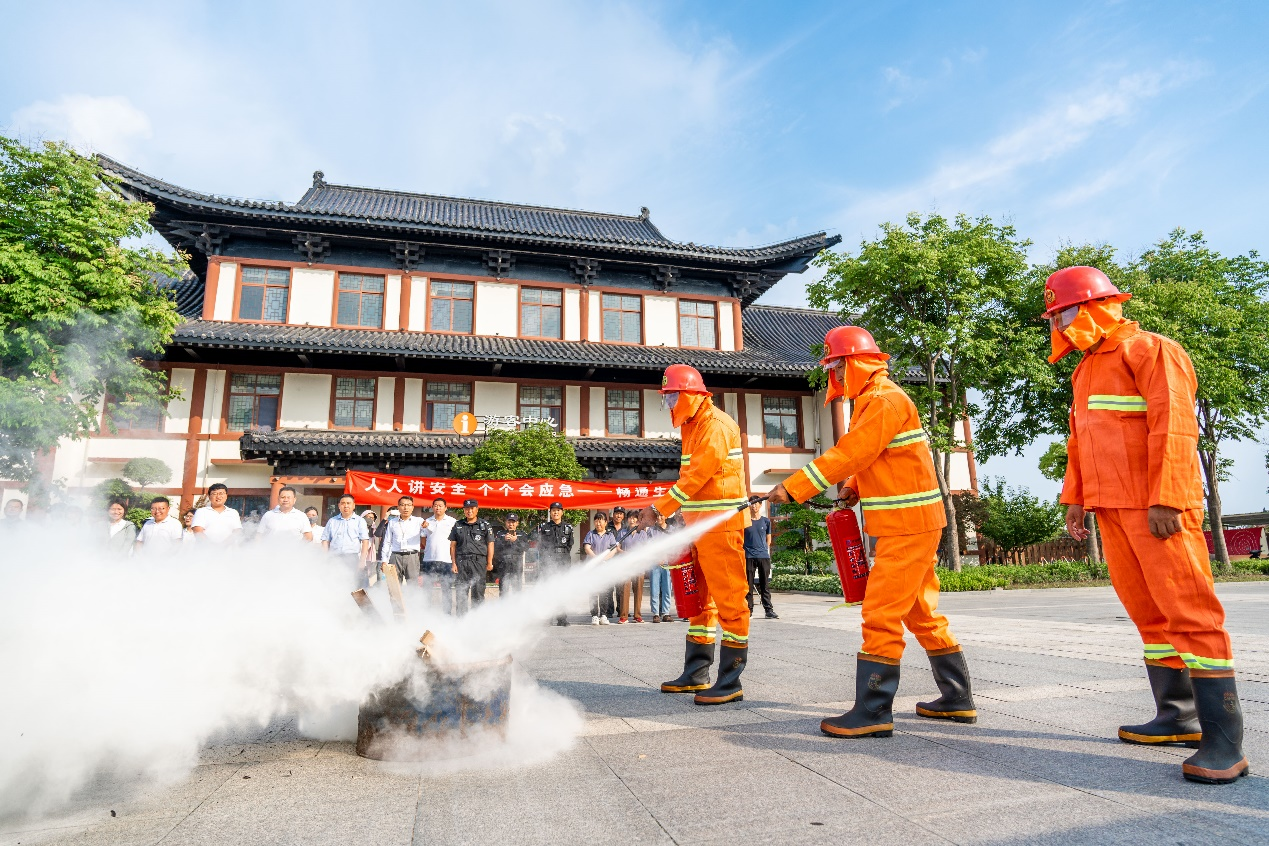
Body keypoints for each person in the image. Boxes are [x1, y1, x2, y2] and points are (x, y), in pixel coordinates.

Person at [1045, 266, 1248, 784]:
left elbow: (1175, 427)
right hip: (1111, 508)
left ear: (1094, 307)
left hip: (1157, 507)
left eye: (1065, 312)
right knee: (1149, 615)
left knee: (1190, 612)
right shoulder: (1087, 367)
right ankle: (1175, 716)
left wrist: (1169, 499)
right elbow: (1080, 440)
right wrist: (1076, 498)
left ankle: (1224, 742)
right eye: (1057, 315)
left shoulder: (1152, 349)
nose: (1061, 323)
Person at [768, 325, 975, 739]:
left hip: (907, 526)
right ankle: (956, 699)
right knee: (922, 613)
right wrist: (851, 489)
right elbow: (877, 458)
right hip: (910, 524)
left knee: (880, 613)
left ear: (856, 362)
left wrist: (794, 486)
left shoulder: (884, 399)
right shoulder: (873, 401)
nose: (837, 377)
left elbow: (853, 451)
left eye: (838, 367)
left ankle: (874, 710)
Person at [638, 364, 751, 706]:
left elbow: (699, 474)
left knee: (730, 600)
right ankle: (696, 674)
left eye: (672, 395)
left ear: (691, 395)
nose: (669, 403)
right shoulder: (693, 424)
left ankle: (730, 681)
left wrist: (661, 508)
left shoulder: (714, 424)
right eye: (666, 397)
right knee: (702, 603)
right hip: (700, 524)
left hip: (721, 525)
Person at [532, 501, 576, 626]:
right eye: (553, 510)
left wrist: (562, 557)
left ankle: (562, 618)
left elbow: (569, 545)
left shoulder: (568, 528)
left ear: (562, 512)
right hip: (548, 561)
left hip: (563, 561)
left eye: (558, 510)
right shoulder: (544, 527)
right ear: (550, 512)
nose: (555, 512)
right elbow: (540, 545)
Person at [449, 499, 493, 613]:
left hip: (478, 562)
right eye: (467, 509)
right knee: (461, 593)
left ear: (477, 510)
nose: (469, 511)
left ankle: (476, 622)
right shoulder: (458, 525)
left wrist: (489, 562)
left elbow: (490, 544)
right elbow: (453, 546)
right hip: (461, 562)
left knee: (478, 592)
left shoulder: (485, 525)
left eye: (472, 508)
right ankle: (461, 622)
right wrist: (453, 563)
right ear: (464, 510)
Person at [322, 493, 372, 587]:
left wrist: (362, 561)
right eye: (343, 503)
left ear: (353, 505)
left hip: (352, 558)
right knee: (334, 584)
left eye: (348, 503)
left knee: (353, 584)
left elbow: (365, 541)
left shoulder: (359, 521)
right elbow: (325, 540)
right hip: (334, 558)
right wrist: (325, 557)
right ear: (339, 506)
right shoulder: (332, 521)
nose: (346, 505)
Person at [379, 495, 426, 587]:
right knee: (394, 586)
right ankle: (395, 602)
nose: (406, 508)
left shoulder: (419, 521)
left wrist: (427, 526)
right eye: (403, 505)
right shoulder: (392, 522)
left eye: (409, 505)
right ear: (398, 507)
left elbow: (428, 532)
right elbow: (387, 542)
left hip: (412, 556)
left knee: (413, 586)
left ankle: (412, 602)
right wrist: (384, 560)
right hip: (395, 556)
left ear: (412, 507)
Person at [421, 498, 458, 612]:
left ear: (446, 508)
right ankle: (427, 613)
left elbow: (454, 542)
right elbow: (423, 540)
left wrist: (454, 561)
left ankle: (447, 614)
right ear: (432, 507)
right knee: (427, 589)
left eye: (440, 505)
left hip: (446, 560)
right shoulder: (427, 521)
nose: (438, 508)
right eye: (435, 505)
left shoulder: (452, 522)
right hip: (429, 559)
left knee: (446, 589)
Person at [744, 498, 777, 619]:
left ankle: (769, 611)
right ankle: (749, 611)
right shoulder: (745, 522)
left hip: (763, 556)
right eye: (752, 504)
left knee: (764, 584)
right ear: (749, 506)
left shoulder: (766, 521)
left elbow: (769, 539)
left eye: (756, 504)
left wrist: (764, 549)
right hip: (748, 556)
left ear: (760, 505)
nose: (754, 507)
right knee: (748, 585)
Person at [584, 512, 619, 625]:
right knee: (593, 591)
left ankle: (603, 615)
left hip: (605, 567)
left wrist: (605, 560)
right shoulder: (591, 534)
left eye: (600, 520)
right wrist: (596, 559)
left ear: (605, 522)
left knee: (604, 591)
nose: (598, 523)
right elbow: (587, 548)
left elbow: (613, 549)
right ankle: (594, 615)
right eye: (596, 521)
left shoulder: (610, 535)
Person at [619, 509, 651, 622]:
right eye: (630, 518)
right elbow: (618, 547)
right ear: (627, 519)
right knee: (625, 589)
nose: (632, 520)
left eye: (634, 518)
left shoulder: (642, 533)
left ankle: (637, 615)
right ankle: (623, 616)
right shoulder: (622, 532)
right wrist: (625, 554)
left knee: (638, 591)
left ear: (638, 520)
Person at [493, 513, 530, 595]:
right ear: (505, 523)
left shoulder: (522, 534)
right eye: (509, 522)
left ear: (517, 523)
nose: (511, 524)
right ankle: (503, 607)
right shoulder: (500, 534)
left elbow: (526, 547)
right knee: (503, 590)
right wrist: (504, 540)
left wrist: (516, 540)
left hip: (516, 564)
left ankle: (516, 607)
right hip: (503, 564)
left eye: (513, 522)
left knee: (517, 590)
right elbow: (495, 548)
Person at [647, 511, 674, 622]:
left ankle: (666, 613)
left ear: (666, 516)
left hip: (667, 562)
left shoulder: (671, 530)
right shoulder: (651, 531)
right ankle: (656, 613)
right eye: (657, 515)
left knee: (667, 588)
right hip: (655, 562)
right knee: (654, 588)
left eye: (661, 515)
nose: (659, 518)